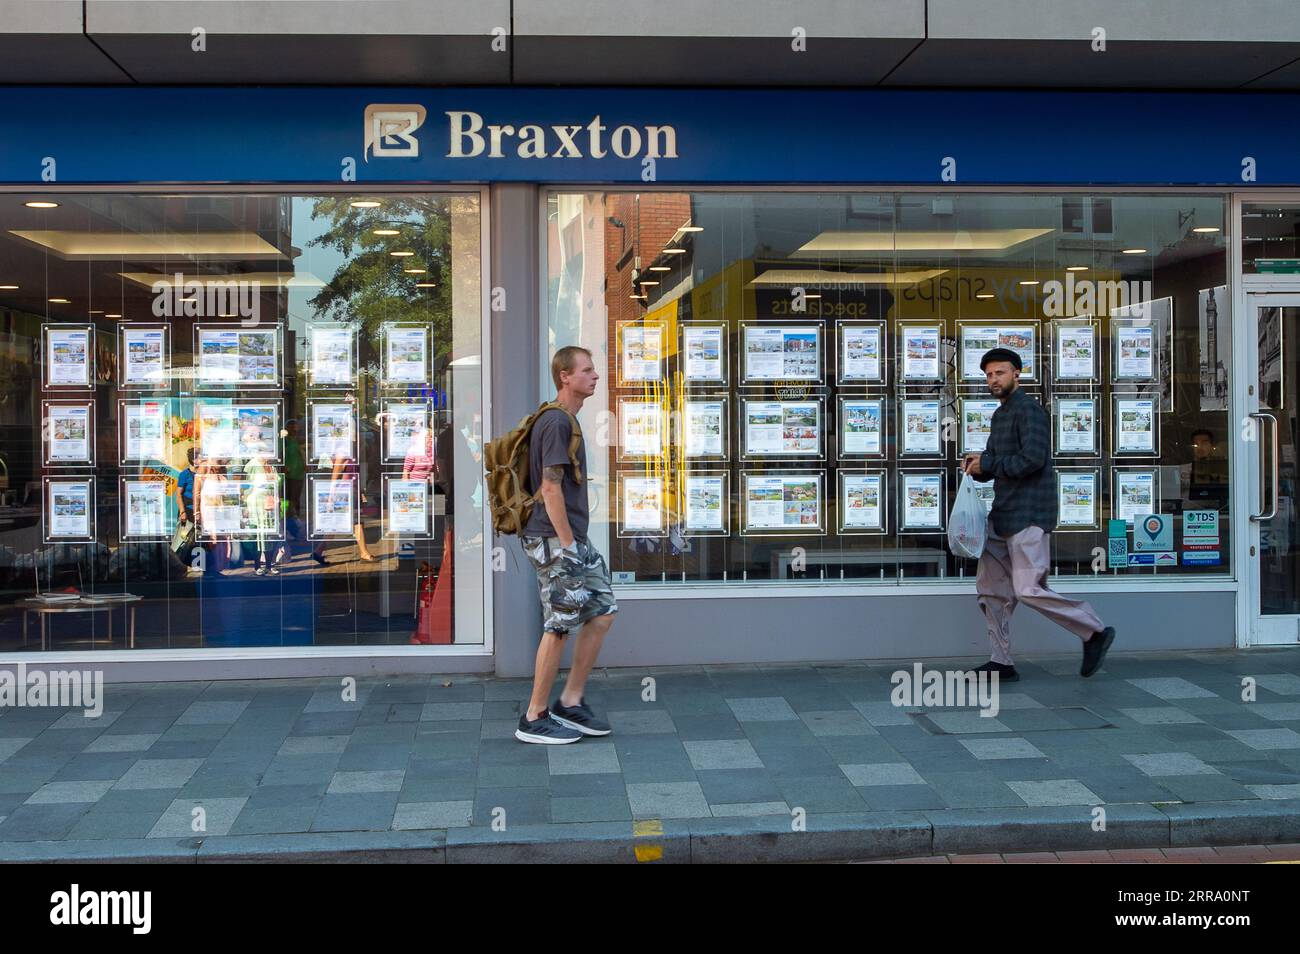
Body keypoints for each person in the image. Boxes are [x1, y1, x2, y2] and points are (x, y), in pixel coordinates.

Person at [961, 347, 1116, 682]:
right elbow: (997, 461)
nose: (993, 379)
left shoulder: (1030, 411)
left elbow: (1032, 459)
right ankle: (1001, 661)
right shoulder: (1000, 414)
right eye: (988, 374)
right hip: (1002, 515)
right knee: (991, 591)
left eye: (1000, 372)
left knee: (1028, 588)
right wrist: (979, 466)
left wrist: (989, 464)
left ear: (1017, 373)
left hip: (1029, 514)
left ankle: (1093, 630)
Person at [515, 345, 618, 744]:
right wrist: (568, 544)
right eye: (587, 370)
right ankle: (533, 716)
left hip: (571, 539)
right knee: (559, 624)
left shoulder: (566, 420)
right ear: (565, 376)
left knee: (603, 609)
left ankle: (570, 701)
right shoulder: (556, 422)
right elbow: (550, 486)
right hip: (555, 539)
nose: (595, 376)